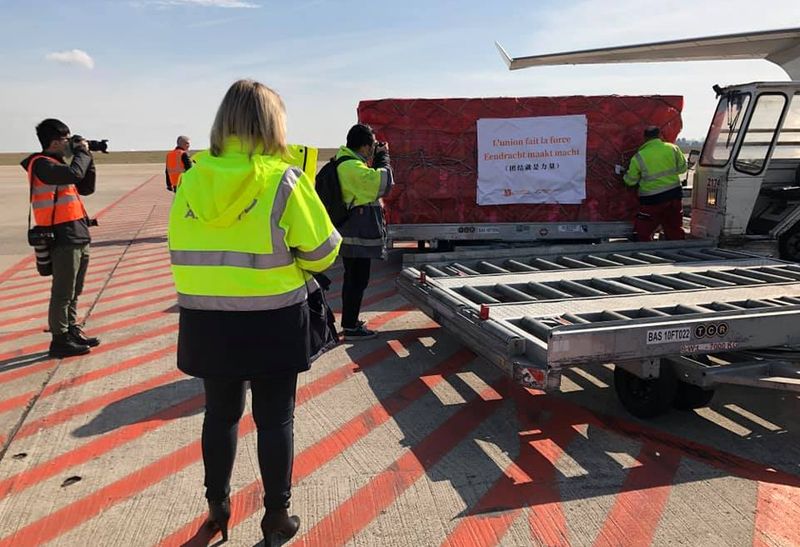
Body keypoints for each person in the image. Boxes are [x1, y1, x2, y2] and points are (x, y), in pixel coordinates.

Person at [168, 79, 340, 544]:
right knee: (275, 418)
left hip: (206, 319)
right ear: (272, 123)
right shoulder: (283, 178)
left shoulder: (191, 179)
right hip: (272, 320)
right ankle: (275, 517)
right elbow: (324, 252)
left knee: (219, 415)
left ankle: (217, 506)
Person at [21, 119, 100, 358]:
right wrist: (82, 152)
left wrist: (88, 157)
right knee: (63, 291)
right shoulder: (42, 164)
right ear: (55, 142)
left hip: (77, 233)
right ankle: (60, 339)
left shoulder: (58, 164)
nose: (69, 144)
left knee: (75, 289)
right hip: (61, 236)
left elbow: (85, 186)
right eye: (66, 140)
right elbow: (75, 173)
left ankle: (72, 330)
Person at [336, 124, 394, 340]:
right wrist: (383, 157)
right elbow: (384, 183)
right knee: (357, 280)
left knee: (353, 279)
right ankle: (351, 327)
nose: (373, 149)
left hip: (352, 234)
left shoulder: (346, 162)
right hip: (355, 236)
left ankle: (350, 321)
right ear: (363, 146)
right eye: (372, 145)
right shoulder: (352, 167)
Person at [619, 126, 687, 241]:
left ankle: (644, 253)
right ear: (659, 135)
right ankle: (678, 250)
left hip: (652, 200)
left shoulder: (639, 156)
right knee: (674, 229)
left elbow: (630, 181)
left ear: (645, 138)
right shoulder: (673, 149)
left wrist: (624, 175)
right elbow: (682, 169)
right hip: (673, 196)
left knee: (643, 232)